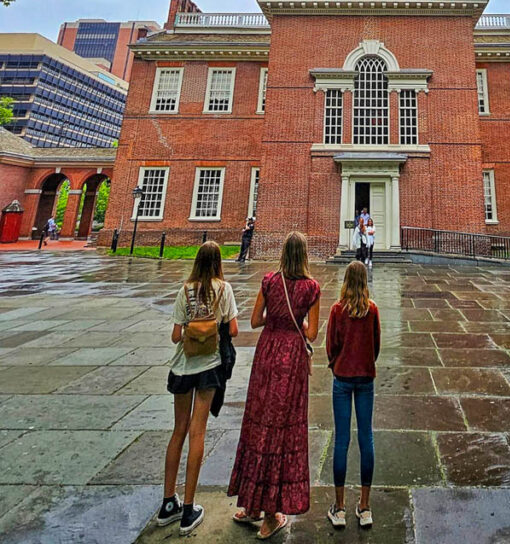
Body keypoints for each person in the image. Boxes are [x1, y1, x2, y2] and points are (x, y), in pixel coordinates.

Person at [229, 231, 320, 539]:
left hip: (267, 356)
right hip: (291, 359)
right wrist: (298, 320)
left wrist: (277, 316)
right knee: (283, 430)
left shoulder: (269, 281)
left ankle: (252, 505)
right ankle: (271, 516)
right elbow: (312, 335)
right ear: (305, 254)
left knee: (259, 426)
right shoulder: (311, 288)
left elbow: (254, 321)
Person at [159, 241, 238, 536]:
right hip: (208, 368)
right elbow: (233, 330)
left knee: (178, 430)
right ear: (218, 261)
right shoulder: (224, 289)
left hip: (181, 367)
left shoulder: (185, 289)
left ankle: (168, 502)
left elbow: (175, 335)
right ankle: (189, 507)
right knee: (198, 432)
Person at [326, 261, 381, 530]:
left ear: (346, 280)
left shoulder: (337, 310)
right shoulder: (372, 310)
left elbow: (330, 346)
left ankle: (339, 508)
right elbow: (376, 346)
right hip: (365, 379)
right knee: (366, 437)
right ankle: (365, 506)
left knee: (341, 441)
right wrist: (366, 363)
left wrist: (338, 363)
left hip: (343, 378)